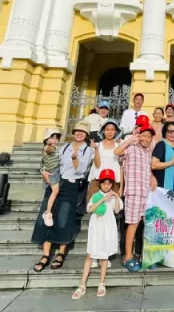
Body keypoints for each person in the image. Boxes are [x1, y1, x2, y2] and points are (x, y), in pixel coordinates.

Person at [32, 122, 94, 272]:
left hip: (71, 185)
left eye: (83, 132)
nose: (79, 134)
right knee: (47, 215)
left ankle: (61, 252)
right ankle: (45, 254)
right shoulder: (65, 147)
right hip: (55, 182)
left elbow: (81, 171)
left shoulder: (89, 150)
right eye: (77, 131)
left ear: (86, 135)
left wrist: (74, 158)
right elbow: (49, 160)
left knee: (65, 219)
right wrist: (42, 170)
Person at [114, 115, 157, 272]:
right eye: (143, 135)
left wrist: (152, 178)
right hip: (133, 192)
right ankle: (128, 256)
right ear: (138, 135)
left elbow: (148, 169)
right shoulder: (130, 148)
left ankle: (146, 255)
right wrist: (131, 140)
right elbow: (116, 151)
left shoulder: (148, 152)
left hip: (146, 193)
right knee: (132, 225)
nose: (146, 138)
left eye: (148, 136)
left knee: (147, 224)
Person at [72, 169, 122, 300]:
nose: (106, 186)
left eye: (109, 183)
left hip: (108, 227)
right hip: (96, 227)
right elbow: (90, 209)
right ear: (100, 184)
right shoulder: (95, 196)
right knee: (90, 255)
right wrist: (103, 199)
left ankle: (102, 283)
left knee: (104, 257)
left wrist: (116, 198)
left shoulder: (113, 196)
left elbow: (117, 210)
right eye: (104, 183)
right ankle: (82, 284)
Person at [88, 120, 122, 202]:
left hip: (114, 182)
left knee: (112, 209)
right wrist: (96, 149)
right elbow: (97, 164)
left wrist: (121, 187)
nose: (109, 132)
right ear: (103, 131)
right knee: (95, 208)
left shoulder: (119, 146)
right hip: (97, 181)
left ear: (116, 132)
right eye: (107, 129)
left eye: (112, 130)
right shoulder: (97, 145)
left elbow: (121, 167)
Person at [40, 130, 62, 227]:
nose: (54, 140)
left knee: (56, 191)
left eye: (56, 138)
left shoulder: (57, 148)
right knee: (55, 191)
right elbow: (47, 149)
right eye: (52, 138)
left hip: (57, 171)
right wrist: (49, 144)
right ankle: (48, 212)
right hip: (52, 172)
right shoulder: (47, 148)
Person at [152, 121, 174, 191]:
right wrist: (171, 163)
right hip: (163, 185)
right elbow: (153, 165)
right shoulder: (161, 144)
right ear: (165, 132)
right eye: (170, 131)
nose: (172, 134)